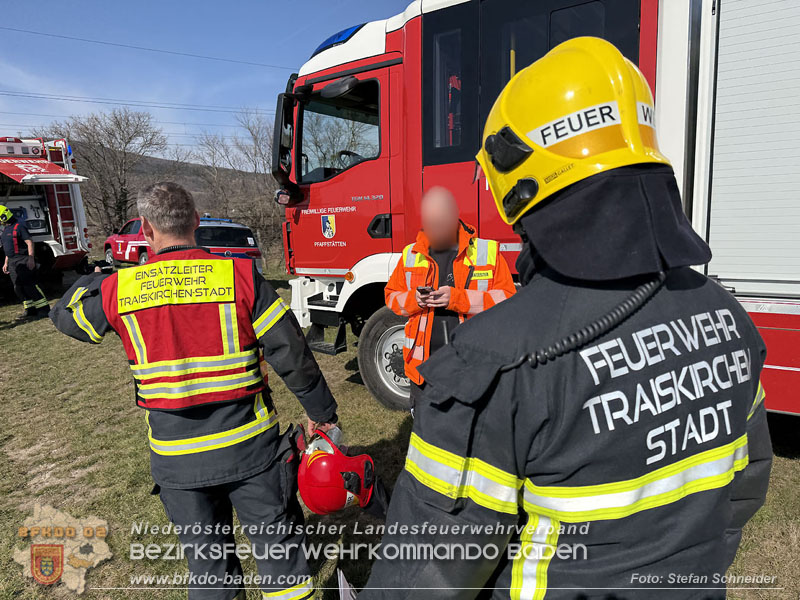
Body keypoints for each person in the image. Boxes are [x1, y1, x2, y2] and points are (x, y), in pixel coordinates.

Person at [362, 37, 772, 599]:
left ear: (516, 175)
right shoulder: (728, 317)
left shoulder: (493, 365)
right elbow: (746, 487)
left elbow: (425, 576)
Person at [51, 182, 336, 600]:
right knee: (280, 557)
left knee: (209, 568)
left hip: (177, 461)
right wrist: (321, 412)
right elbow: (289, 351)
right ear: (197, 222)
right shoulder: (240, 275)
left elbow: (66, 315)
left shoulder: (119, 289)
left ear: (145, 229)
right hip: (252, 450)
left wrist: (93, 281)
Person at [384, 186, 516, 409]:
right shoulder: (411, 254)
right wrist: (416, 300)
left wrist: (456, 299)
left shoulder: (487, 252)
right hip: (423, 370)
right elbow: (392, 297)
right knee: (426, 427)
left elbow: (507, 300)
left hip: (472, 367)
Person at [1, 204, 49, 319]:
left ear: (3, 217)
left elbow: (29, 242)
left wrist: (31, 258)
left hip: (23, 259)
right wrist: (6, 262)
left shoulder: (19, 227)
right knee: (18, 287)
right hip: (12, 262)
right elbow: (8, 248)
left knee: (29, 285)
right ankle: (30, 309)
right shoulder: (6, 230)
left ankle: (44, 309)